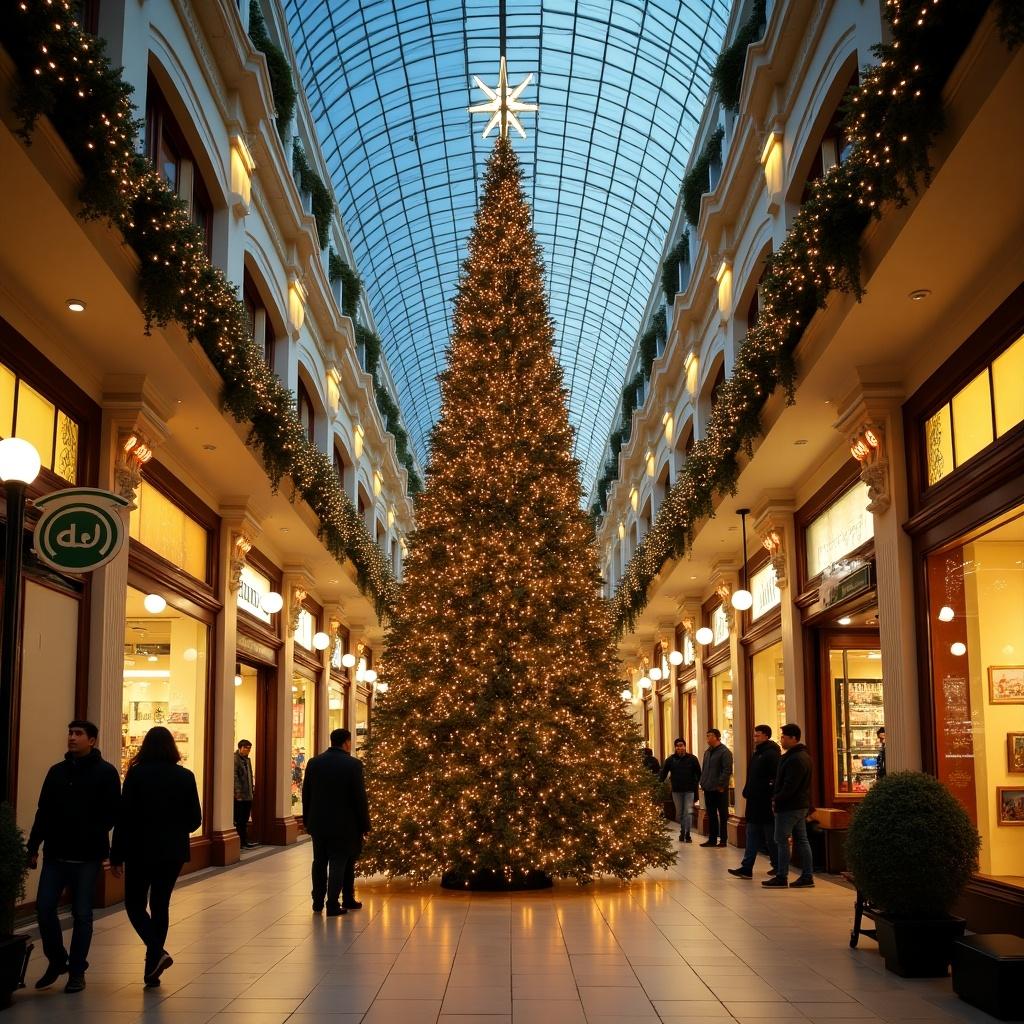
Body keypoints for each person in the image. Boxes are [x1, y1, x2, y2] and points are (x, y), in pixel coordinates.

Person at [27, 720, 121, 994]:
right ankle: (57, 960)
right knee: (44, 909)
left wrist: (101, 839)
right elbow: (43, 810)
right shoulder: (56, 772)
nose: (72, 737)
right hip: (56, 853)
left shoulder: (106, 773)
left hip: (88, 856)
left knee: (82, 914)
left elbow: (114, 813)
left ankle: (77, 971)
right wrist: (33, 845)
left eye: (78, 734)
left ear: (92, 740)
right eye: (70, 733)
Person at [110, 726, 202, 987]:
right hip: (172, 852)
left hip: (139, 850)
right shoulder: (185, 776)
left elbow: (123, 816)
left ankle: (156, 953)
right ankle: (152, 966)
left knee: (135, 905)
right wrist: (173, 828)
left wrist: (116, 855)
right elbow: (195, 819)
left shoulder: (137, 775)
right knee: (160, 905)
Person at [302, 728, 370, 915]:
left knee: (319, 862)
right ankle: (333, 903)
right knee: (340, 862)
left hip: (319, 824)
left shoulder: (314, 763)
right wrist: (365, 825)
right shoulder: (353, 765)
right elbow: (359, 798)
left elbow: (306, 793)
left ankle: (318, 902)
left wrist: (307, 820)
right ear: (346, 743)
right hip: (345, 825)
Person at [763, 722, 814, 888]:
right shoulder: (801, 756)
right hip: (799, 805)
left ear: (793, 738)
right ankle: (807, 876)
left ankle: (782, 876)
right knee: (801, 840)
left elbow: (790, 785)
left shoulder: (796, 758)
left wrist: (776, 799)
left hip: (789, 806)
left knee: (781, 840)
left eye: (784, 737)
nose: (781, 739)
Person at [728, 724, 780, 879]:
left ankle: (778, 865)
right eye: (754, 735)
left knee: (770, 837)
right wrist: (747, 790)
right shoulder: (757, 753)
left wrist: (770, 795)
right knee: (752, 834)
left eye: (757, 735)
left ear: (766, 736)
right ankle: (747, 867)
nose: (754, 737)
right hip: (754, 801)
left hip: (764, 802)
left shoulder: (771, 754)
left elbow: (774, 777)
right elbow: (752, 776)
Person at [659, 738, 701, 842]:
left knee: (688, 812)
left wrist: (698, 787)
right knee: (680, 813)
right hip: (676, 791)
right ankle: (682, 830)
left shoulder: (692, 759)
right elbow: (663, 774)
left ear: (685, 746)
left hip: (689, 791)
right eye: (677, 746)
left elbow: (699, 774)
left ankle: (687, 833)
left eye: (681, 745)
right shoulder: (670, 760)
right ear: (675, 747)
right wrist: (657, 784)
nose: (680, 748)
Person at [699, 728, 733, 848]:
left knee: (723, 814)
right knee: (711, 814)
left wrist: (721, 785)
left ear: (717, 737)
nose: (707, 738)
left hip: (719, 789)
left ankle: (723, 839)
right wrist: (702, 782)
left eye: (710, 736)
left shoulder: (725, 752)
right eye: (707, 736)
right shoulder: (707, 752)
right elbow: (704, 769)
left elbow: (727, 770)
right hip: (708, 788)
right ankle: (712, 839)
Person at [234, 740, 257, 848]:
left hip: (248, 794)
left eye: (249, 748)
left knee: (245, 818)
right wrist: (238, 793)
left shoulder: (247, 760)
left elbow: (249, 776)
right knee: (240, 819)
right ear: (240, 747)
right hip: (240, 796)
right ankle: (241, 841)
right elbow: (235, 777)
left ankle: (244, 840)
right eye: (246, 748)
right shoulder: (235, 759)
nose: (248, 750)